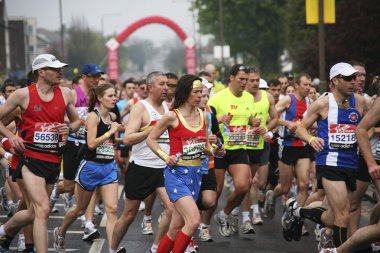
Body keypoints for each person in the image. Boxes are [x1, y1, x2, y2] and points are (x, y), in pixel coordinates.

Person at [0, 54, 81, 253]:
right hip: (30, 158)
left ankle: (3, 230)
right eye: (55, 68)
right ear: (41, 72)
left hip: (53, 159)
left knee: (32, 213)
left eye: (60, 68)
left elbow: (78, 122)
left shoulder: (66, 94)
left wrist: (69, 128)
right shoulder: (22, 95)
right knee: (43, 209)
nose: (60, 71)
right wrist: (11, 136)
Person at [282, 63, 367, 248]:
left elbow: (366, 127)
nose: (353, 82)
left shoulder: (360, 102)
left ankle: (298, 212)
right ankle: (339, 251)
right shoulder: (321, 103)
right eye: (347, 79)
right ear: (334, 81)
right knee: (343, 214)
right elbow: (300, 129)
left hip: (351, 163)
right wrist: (311, 140)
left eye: (354, 78)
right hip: (328, 161)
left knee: (332, 217)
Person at [147, 75, 224, 253]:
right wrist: (165, 157)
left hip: (196, 174)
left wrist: (217, 150)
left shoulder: (204, 116)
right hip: (176, 175)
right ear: (186, 93)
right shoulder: (172, 116)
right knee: (194, 220)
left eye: (201, 92)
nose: (200, 96)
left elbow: (205, 148)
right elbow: (151, 139)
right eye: (196, 92)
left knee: (175, 228)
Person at [109, 72, 173, 253]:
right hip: (141, 167)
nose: (166, 88)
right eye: (162, 84)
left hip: (164, 168)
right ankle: (112, 250)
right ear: (150, 87)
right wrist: (152, 129)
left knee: (172, 209)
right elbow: (128, 139)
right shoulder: (141, 107)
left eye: (167, 84)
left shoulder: (168, 109)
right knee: (129, 215)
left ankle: (155, 248)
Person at [53, 83, 122, 252]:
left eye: (115, 95)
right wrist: (110, 133)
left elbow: (112, 139)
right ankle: (60, 231)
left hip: (109, 168)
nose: (115, 98)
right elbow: (91, 144)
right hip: (90, 167)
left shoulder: (111, 117)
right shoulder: (93, 116)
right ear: (99, 98)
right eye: (111, 96)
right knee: (79, 209)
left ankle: (113, 249)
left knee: (112, 210)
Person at [207, 64, 258, 237]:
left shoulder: (249, 98)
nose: (244, 83)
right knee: (216, 191)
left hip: (238, 147)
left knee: (244, 186)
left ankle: (224, 214)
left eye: (246, 79)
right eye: (241, 79)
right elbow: (205, 121)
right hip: (219, 148)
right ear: (231, 78)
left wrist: (254, 123)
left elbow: (248, 118)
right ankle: (203, 226)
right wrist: (219, 120)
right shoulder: (217, 98)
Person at [264, 73, 312, 226]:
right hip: (286, 146)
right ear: (297, 85)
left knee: (304, 184)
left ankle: (294, 217)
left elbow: (314, 121)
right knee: (285, 187)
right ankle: (272, 194)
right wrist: (287, 123)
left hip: (302, 146)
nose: (308, 88)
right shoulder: (288, 99)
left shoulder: (310, 102)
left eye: (309, 85)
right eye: (305, 85)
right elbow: (270, 117)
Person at [240, 67, 278, 232]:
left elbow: (276, 118)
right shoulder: (240, 97)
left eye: (257, 80)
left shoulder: (267, 97)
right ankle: (248, 216)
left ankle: (242, 207)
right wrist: (246, 126)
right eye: (251, 80)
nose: (255, 83)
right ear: (245, 81)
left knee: (260, 182)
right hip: (242, 145)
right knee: (248, 181)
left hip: (262, 144)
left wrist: (267, 129)